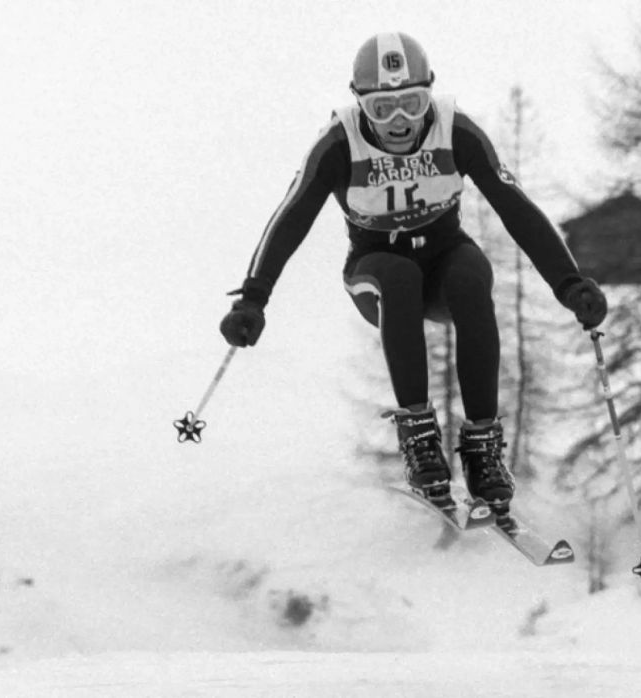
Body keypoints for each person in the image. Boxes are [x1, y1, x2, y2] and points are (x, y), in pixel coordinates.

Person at [220, 32, 607, 516]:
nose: (399, 121)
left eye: (412, 103)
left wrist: (569, 285)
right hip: (375, 270)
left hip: (444, 260)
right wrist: (255, 297)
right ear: (360, 104)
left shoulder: (456, 131)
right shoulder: (339, 143)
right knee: (399, 276)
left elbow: (516, 208)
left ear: (430, 95)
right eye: (383, 109)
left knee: (471, 273)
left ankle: (482, 449)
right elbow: (292, 216)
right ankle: (419, 438)